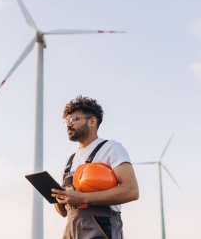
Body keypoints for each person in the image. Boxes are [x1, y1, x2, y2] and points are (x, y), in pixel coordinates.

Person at [51, 95, 139, 239]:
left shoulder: (111, 148)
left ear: (92, 121)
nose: (68, 124)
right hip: (71, 228)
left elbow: (131, 191)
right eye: (66, 121)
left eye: (74, 119)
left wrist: (84, 198)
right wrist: (58, 199)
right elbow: (63, 213)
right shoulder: (70, 161)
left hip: (101, 225)